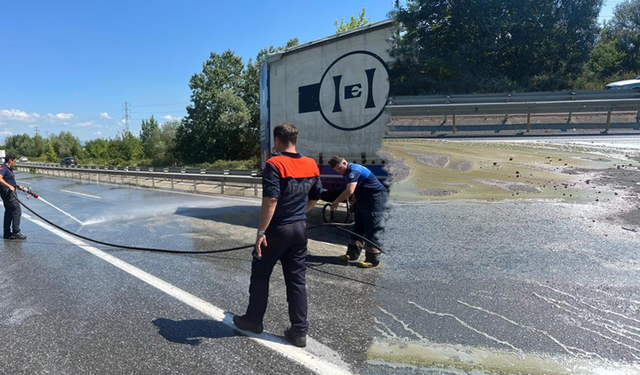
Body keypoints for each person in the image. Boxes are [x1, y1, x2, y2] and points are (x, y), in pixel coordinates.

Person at [234, 123, 322, 348]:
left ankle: (253, 320)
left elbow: (271, 200)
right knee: (297, 281)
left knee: (261, 275)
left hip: (277, 230)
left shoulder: (274, 164)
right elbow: (316, 195)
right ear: (296, 140)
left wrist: (261, 232)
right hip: (300, 229)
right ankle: (299, 331)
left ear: (277, 141)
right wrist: (302, 213)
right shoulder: (311, 164)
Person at [329, 156, 387, 268]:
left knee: (372, 226)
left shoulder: (354, 170)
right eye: (336, 170)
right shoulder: (346, 171)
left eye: (339, 168)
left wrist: (336, 202)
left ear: (345, 163)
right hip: (363, 196)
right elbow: (358, 186)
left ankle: (372, 259)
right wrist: (355, 198)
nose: (339, 171)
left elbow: (349, 190)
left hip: (376, 197)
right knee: (359, 225)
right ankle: (351, 254)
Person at [0, 154, 27, 240]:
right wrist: (9, 186)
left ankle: (7, 233)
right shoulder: (4, 168)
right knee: (16, 210)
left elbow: (10, 181)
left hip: (9, 192)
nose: (15, 163)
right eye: (14, 161)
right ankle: (16, 232)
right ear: (10, 161)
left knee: (8, 212)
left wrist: (18, 187)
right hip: (8, 193)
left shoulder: (8, 169)